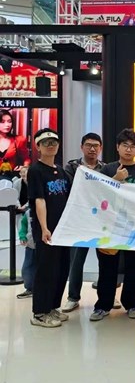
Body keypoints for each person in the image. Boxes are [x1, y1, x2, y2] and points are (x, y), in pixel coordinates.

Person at [91, 129, 135, 322]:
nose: (128, 149)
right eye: (125, 145)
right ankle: (103, 305)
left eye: (133, 146)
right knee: (107, 268)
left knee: (134, 267)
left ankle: (132, 303)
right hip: (110, 227)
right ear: (117, 147)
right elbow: (97, 195)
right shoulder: (108, 169)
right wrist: (115, 180)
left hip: (134, 227)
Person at [27, 128, 71, 328]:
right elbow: (39, 200)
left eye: (53, 142)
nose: (50, 145)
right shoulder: (36, 171)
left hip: (63, 231)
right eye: (45, 143)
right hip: (47, 231)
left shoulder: (61, 171)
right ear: (38, 146)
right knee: (45, 270)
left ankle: (52, 307)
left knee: (60, 269)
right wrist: (44, 228)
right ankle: (39, 313)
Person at [61, 132, 107, 313]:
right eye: (89, 145)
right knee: (76, 261)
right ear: (82, 147)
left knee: (106, 262)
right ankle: (73, 297)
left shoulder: (106, 168)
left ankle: (107, 295)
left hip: (101, 222)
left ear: (100, 148)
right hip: (79, 221)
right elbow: (70, 189)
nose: (92, 149)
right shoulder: (72, 167)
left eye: (96, 145)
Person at [15, 167, 34, 299]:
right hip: (30, 245)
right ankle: (29, 288)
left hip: (43, 244)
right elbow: (24, 225)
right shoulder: (28, 213)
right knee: (28, 266)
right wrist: (22, 236)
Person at [0, 109, 30, 173]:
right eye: (2, 122)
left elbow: (26, 159)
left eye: (9, 121)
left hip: (12, 176)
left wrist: (24, 167)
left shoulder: (19, 140)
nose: (7, 125)